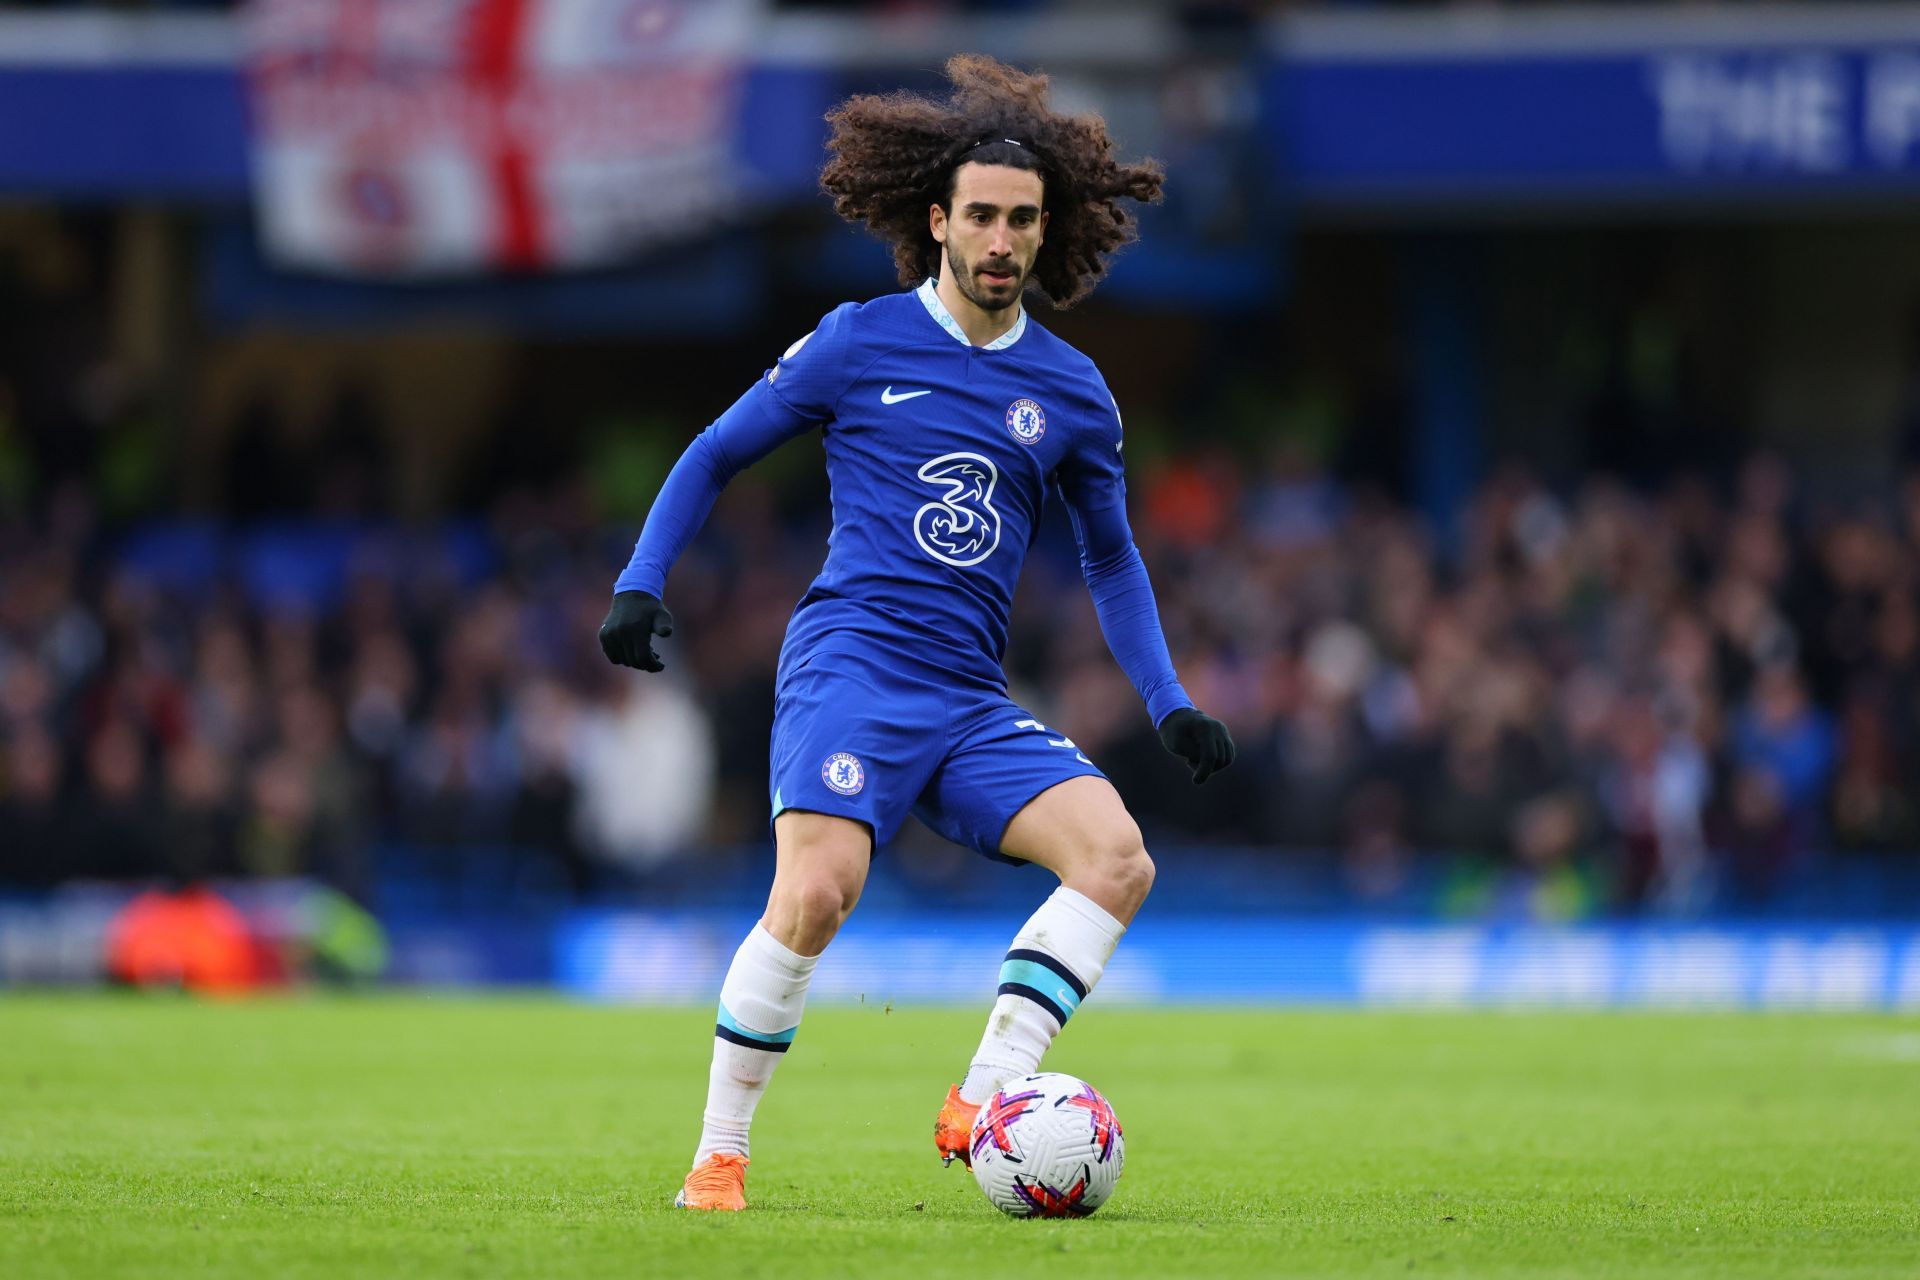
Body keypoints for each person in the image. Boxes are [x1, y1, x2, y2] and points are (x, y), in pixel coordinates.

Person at [599, 55, 1235, 1212]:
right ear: (939, 221)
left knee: (1118, 854)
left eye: (1023, 220)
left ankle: (987, 1092)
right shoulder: (858, 341)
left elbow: (1111, 555)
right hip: (852, 661)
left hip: (967, 693)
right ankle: (720, 1153)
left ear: (1047, 234)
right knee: (819, 889)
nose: (1002, 238)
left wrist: (1170, 699)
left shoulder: (1075, 392)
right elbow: (713, 451)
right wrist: (642, 579)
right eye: (983, 215)